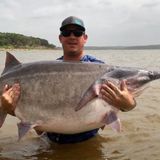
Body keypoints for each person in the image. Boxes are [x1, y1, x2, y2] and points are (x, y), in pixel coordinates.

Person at [1, 16, 136, 144]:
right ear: (60, 38)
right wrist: (8, 109)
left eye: (77, 32)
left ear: (85, 38)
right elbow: (34, 114)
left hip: (88, 141)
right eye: (67, 32)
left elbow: (123, 102)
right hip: (51, 141)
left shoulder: (101, 69)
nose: (72, 36)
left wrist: (129, 105)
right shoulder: (49, 71)